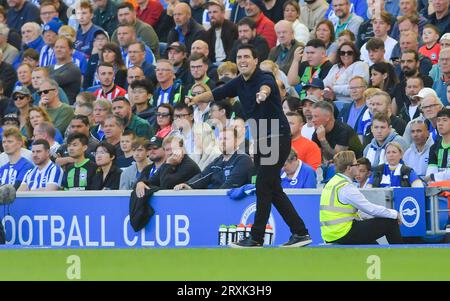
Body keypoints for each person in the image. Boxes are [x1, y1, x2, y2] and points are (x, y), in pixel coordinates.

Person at [188, 44, 312, 248]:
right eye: (239, 56)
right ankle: (300, 232)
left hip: (277, 136)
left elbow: (266, 87)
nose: (243, 60)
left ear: (255, 60)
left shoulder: (264, 78)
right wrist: (195, 99)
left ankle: (256, 238)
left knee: (263, 186)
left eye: (247, 56)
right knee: (273, 188)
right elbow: (216, 93)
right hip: (262, 139)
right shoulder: (238, 82)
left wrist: (262, 95)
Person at [320, 150, 403, 245]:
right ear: (349, 168)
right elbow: (370, 209)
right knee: (390, 221)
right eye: (356, 164)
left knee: (373, 243)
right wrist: (394, 214)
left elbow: (358, 212)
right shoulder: (346, 187)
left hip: (331, 234)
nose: (358, 167)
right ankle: (402, 255)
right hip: (343, 233)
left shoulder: (332, 182)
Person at [174, 126, 253, 189]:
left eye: (226, 139)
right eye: (220, 139)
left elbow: (231, 184)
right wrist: (187, 185)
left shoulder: (243, 159)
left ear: (236, 141)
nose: (222, 142)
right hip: (216, 199)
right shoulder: (218, 160)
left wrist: (214, 197)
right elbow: (203, 176)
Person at [135, 135, 200, 191]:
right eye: (167, 150)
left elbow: (166, 185)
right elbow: (152, 181)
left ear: (182, 149)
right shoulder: (168, 163)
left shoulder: (188, 165)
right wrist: (141, 183)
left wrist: (168, 164)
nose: (170, 152)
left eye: (174, 148)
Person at [48, 36, 82, 104]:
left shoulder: (73, 69)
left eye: (62, 47)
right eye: (56, 47)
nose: (58, 49)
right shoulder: (48, 68)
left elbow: (53, 82)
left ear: (71, 50)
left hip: (64, 109)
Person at [203, 0, 238, 64]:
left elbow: (233, 53)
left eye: (215, 12)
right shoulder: (208, 33)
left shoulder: (232, 28)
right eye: (209, 12)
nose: (212, 15)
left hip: (229, 64)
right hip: (213, 65)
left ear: (223, 13)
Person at [425, 108, 450, 183]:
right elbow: (428, 176)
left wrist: (434, 177)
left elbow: (431, 176)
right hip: (438, 190)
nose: (440, 123)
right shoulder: (434, 148)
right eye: (438, 120)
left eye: (444, 120)